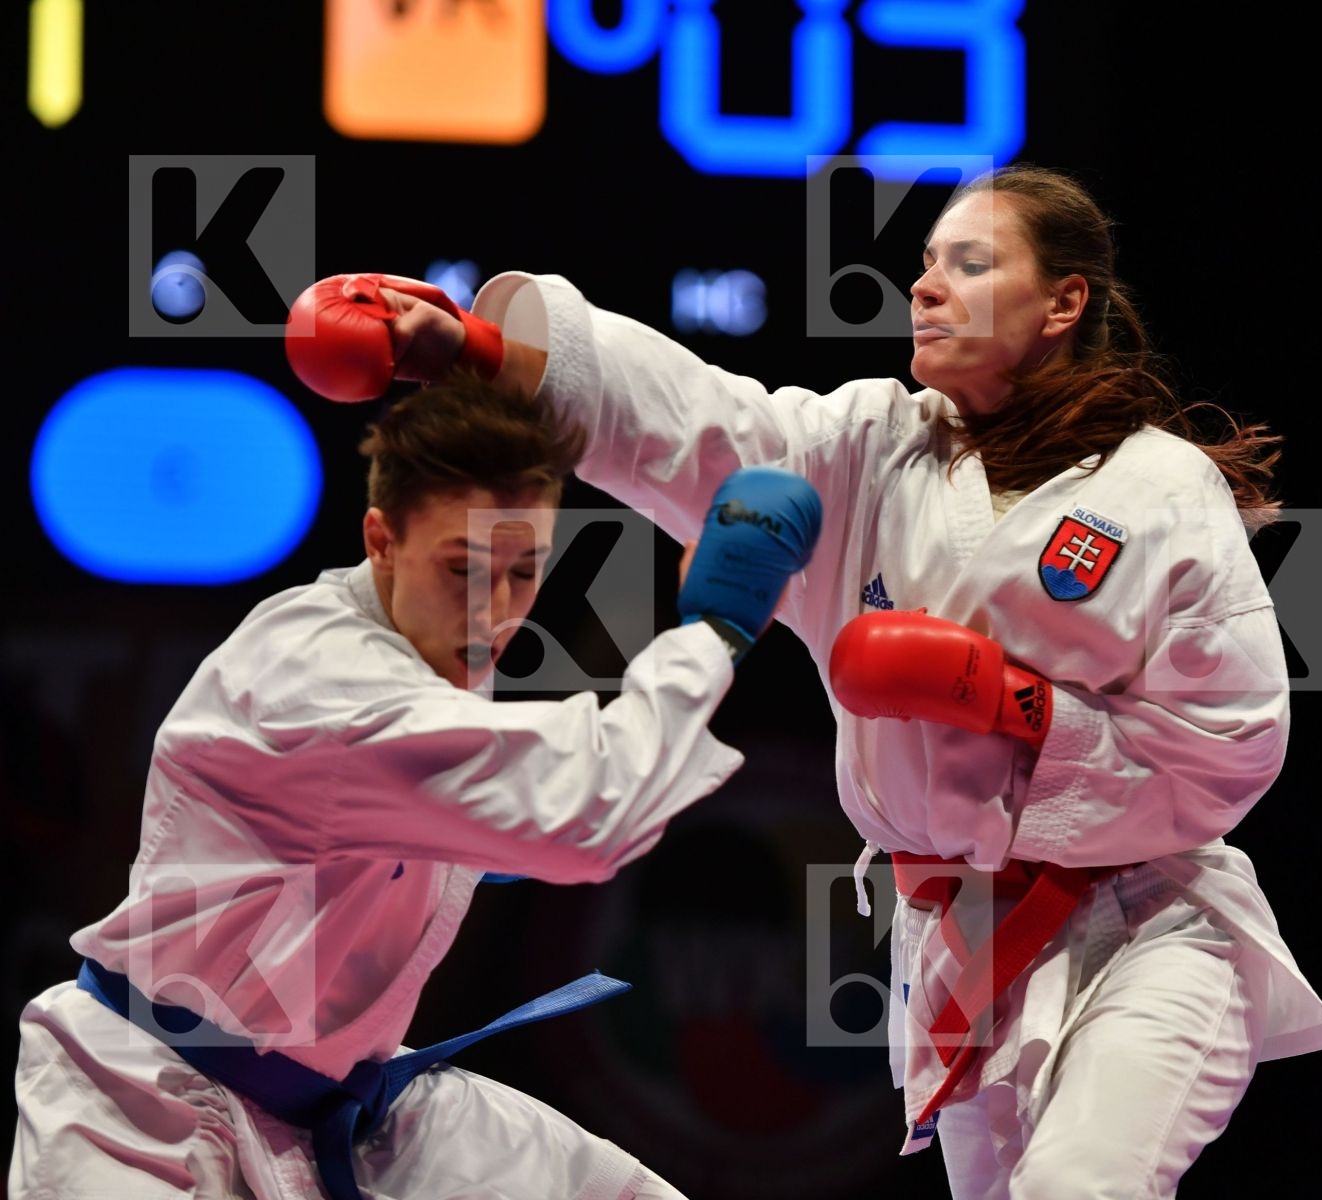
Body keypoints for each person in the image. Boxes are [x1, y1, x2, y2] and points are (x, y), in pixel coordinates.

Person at [286, 162, 1322, 1199]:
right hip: (963, 941)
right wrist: (474, 348)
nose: (925, 287)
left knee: (1083, 1181)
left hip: (1148, 923)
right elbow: (696, 421)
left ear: (1064, 302)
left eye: (971, 265)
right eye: (927, 263)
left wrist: (1010, 701)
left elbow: (1231, 744)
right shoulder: (871, 448)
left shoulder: (1162, 487)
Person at [9, 367, 822, 1199]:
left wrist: (472, 846)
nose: (492, 613)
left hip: (342, 1105)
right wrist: (715, 630)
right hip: (145, 1109)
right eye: (463, 570)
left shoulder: (430, 642)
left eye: (523, 571)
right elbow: (591, 812)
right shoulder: (323, 678)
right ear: (381, 539)